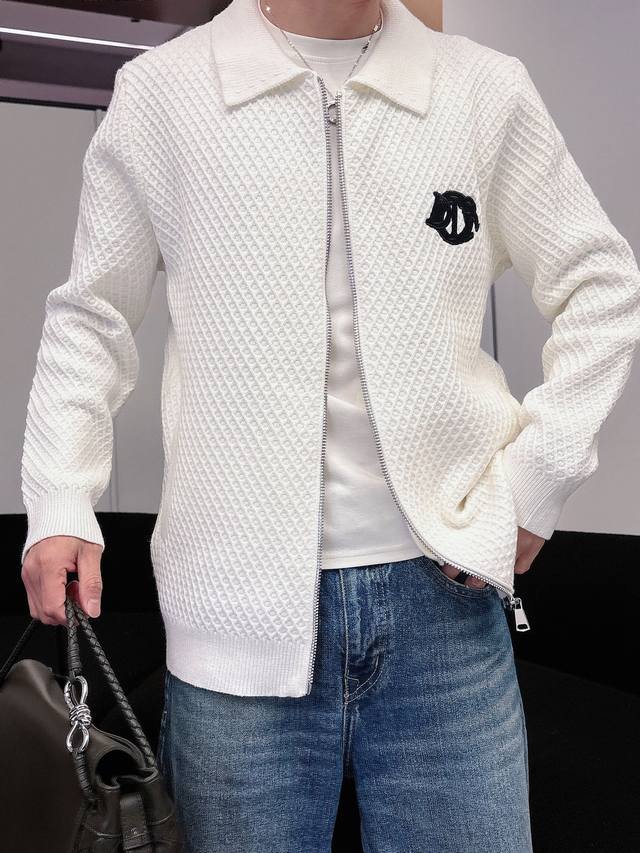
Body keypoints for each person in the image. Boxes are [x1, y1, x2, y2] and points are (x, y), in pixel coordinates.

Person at [19, 0, 640, 850]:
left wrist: (537, 481)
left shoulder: (483, 89)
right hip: (233, 615)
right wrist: (59, 496)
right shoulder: (164, 91)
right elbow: (92, 317)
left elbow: (602, 284)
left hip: (446, 607)